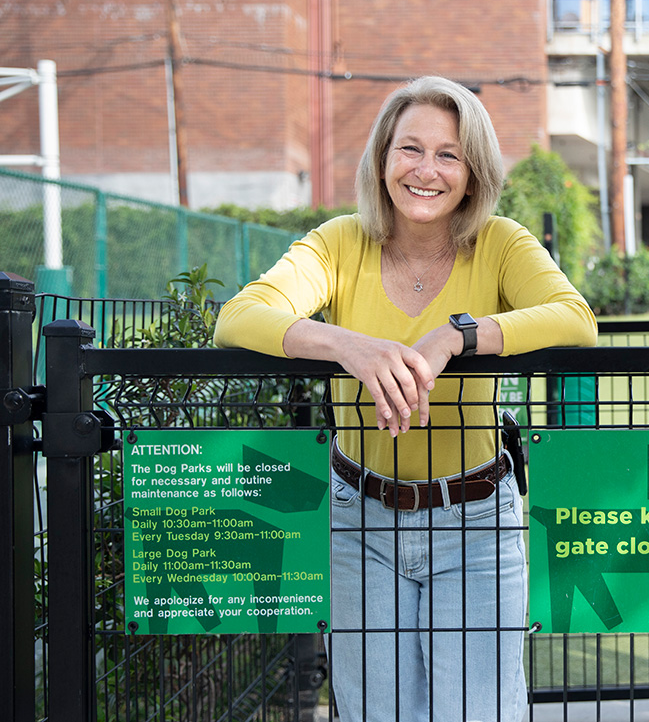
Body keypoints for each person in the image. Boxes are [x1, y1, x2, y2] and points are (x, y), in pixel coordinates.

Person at [214, 76, 597, 722]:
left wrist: (459, 334)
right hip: (356, 520)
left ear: (473, 173)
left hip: (476, 520)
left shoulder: (500, 242)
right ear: (382, 158)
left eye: (449, 154)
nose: (426, 169)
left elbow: (576, 318)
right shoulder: (338, 242)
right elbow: (239, 317)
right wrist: (345, 344)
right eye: (409, 148)